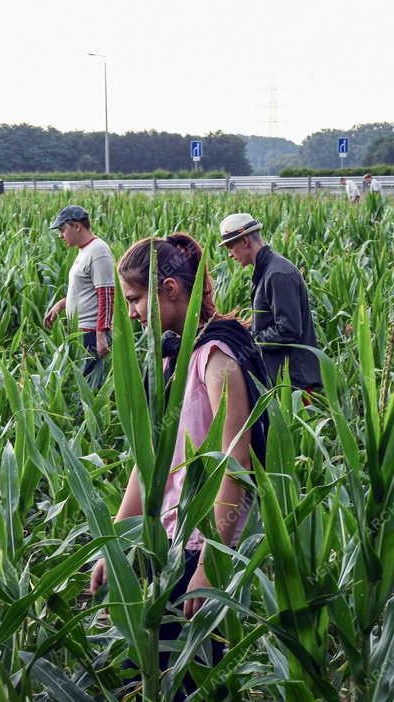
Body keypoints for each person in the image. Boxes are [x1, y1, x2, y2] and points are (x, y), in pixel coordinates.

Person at [91, 233, 271, 695]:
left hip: (199, 545)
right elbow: (150, 462)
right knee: (149, 672)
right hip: (167, 543)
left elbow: (237, 462)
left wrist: (210, 563)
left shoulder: (216, 356)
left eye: (135, 298)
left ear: (170, 289)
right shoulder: (176, 357)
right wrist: (116, 541)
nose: (130, 312)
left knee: (194, 679)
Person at [219, 213, 322, 391]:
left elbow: (288, 329)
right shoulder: (266, 272)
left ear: (245, 242)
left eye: (230, 246)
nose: (230, 254)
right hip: (284, 380)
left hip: (297, 385)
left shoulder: (277, 274)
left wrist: (250, 340)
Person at [43, 205, 114, 386]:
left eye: (62, 229)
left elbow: (106, 294)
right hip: (80, 332)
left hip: (91, 333)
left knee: (90, 386)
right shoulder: (85, 250)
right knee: (81, 384)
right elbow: (85, 290)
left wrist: (101, 335)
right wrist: (60, 305)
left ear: (77, 226)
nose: (60, 235)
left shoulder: (98, 251)